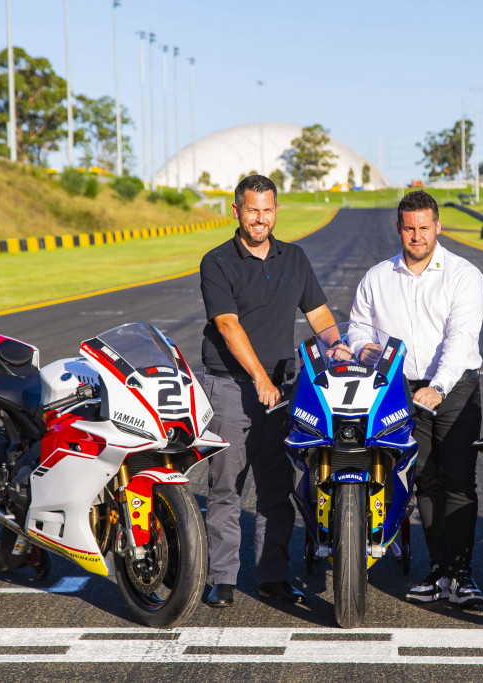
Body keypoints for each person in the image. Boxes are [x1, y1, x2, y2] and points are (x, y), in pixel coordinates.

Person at [199, 174, 340, 608]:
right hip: (231, 388)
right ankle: (222, 578)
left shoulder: (294, 258)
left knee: (278, 490)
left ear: (277, 211)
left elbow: (318, 313)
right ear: (236, 210)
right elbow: (227, 324)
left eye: (268, 210)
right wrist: (260, 377)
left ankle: (273, 577)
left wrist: (338, 349)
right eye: (252, 210)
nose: (260, 219)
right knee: (226, 488)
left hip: (284, 393)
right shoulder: (217, 261)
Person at [348, 190, 483, 608]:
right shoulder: (377, 276)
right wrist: (363, 349)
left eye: (424, 227)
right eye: (409, 228)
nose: (417, 235)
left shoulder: (464, 274)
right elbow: (357, 327)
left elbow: (460, 340)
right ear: (398, 228)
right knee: (423, 481)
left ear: (437, 227)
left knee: (458, 482)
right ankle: (438, 570)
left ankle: (462, 575)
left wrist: (439, 387)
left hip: (454, 386)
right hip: (400, 389)